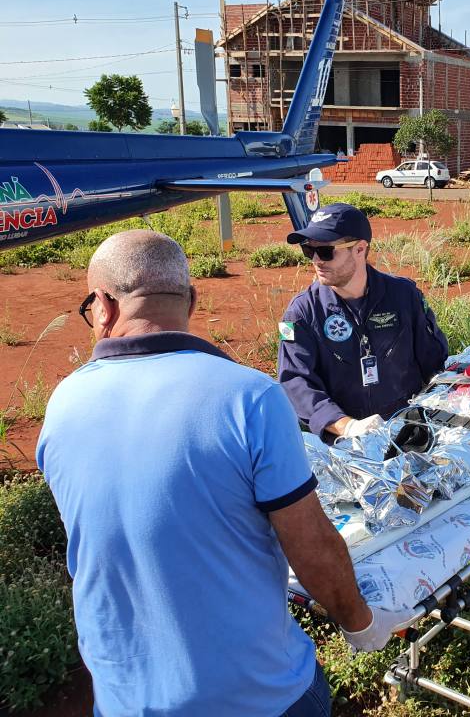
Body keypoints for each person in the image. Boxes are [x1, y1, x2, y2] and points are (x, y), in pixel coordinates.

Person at [36, 230, 407, 716]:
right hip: (260, 696)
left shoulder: (62, 404)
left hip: (125, 700)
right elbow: (311, 547)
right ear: (191, 299)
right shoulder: (249, 397)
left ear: (103, 307)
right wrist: (361, 624)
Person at [278, 203, 448, 441]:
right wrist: (346, 426)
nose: (316, 260)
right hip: (346, 444)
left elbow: (434, 360)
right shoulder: (302, 313)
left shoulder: (404, 296)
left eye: (325, 251)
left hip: (409, 432)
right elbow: (296, 381)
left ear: (360, 249)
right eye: (309, 250)